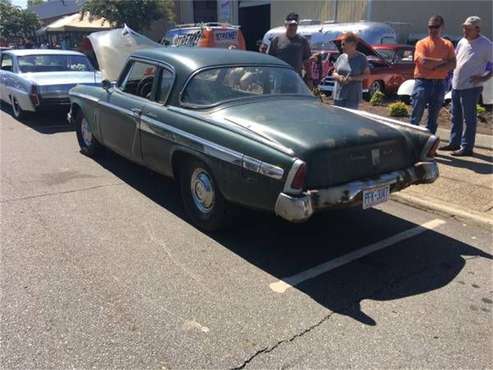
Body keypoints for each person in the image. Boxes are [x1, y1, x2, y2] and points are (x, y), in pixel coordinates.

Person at [440, 16, 493, 156]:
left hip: (471, 87)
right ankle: (454, 143)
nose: (465, 30)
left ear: (477, 29)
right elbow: (456, 59)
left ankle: (467, 147)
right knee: (455, 116)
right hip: (456, 85)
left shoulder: (486, 44)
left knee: (469, 119)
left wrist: (484, 77)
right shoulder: (462, 41)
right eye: (464, 27)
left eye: (468, 28)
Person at [410, 15, 456, 134]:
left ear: (442, 27)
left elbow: (453, 64)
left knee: (433, 118)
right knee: (416, 116)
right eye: (430, 26)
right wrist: (442, 62)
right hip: (423, 83)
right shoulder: (422, 43)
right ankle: (412, 145)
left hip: (440, 84)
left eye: (436, 26)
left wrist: (433, 65)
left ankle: (429, 147)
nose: (433, 29)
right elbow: (423, 62)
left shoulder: (448, 45)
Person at [268, 12, 313, 87]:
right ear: (285, 25)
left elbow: (307, 61)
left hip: (296, 79)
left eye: (294, 25)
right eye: (290, 25)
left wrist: (309, 78)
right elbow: (270, 59)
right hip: (279, 79)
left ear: (297, 25)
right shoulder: (277, 40)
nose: (292, 27)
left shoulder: (302, 41)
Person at [331, 32, 370, 109]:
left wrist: (351, 78)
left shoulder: (361, 58)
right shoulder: (341, 57)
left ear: (352, 45)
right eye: (342, 44)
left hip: (352, 97)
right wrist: (338, 77)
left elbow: (366, 75)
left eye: (344, 44)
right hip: (338, 95)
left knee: (349, 119)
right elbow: (334, 72)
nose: (342, 47)